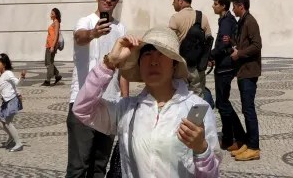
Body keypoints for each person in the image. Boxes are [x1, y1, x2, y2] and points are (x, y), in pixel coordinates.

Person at [72, 26, 221, 178]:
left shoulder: (196, 108)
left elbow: (212, 174)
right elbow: (82, 109)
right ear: (139, 64)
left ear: (174, 64)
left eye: (162, 54)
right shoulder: (127, 109)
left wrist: (201, 149)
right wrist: (110, 63)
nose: (154, 61)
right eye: (148, 54)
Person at [67, 0, 128, 178]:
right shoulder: (85, 22)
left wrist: (125, 103)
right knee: (78, 168)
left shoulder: (121, 29)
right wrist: (94, 33)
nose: (108, 1)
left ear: (117, 0)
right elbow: (79, 37)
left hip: (110, 103)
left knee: (99, 168)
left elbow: (123, 70)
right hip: (83, 101)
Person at [227, 0, 262, 162]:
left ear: (241, 6)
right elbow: (245, 43)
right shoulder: (243, 21)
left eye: (234, 6)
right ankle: (248, 143)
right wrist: (232, 41)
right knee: (246, 109)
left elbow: (257, 45)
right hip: (243, 71)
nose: (232, 9)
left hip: (249, 71)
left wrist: (239, 54)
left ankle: (254, 147)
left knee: (249, 110)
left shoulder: (250, 21)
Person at [168, 0, 213, 101]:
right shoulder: (202, 17)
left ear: (181, 1)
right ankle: (197, 117)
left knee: (180, 96)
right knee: (198, 97)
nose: (172, 2)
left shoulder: (175, 18)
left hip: (180, 66)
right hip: (198, 67)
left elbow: (169, 43)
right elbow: (209, 40)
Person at [209, 0, 238, 150]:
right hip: (224, 66)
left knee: (222, 102)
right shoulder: (226, 20)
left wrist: (210, 55)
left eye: (215, 4)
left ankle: (230, 138)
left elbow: (222, 45)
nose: (213, 6)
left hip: (225, 67)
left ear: (223, 6)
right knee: (223, 102)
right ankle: (236, 135)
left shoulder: (226, 21)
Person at [0, 53, 26, 151]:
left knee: (7, 122)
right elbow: (12, 86)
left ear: (4, 64)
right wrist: (18, 92)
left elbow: (17, 83)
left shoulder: (8, 73)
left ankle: (18, 144)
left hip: (11, 101)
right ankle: (11, 136)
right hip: (5, 102)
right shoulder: (2, 75)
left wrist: (22, 77)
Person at [44, 7, 63, 86]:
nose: (50, 15)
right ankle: (57, 75)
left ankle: (48, 80)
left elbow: (55, 36)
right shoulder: (53, 23)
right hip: (48, 45)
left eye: (52, 14)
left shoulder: (56, 22)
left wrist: (52, 46)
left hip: (52, 45)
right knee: (48, 62)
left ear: (56, 15)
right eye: (51, 13)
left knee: (49, 63)